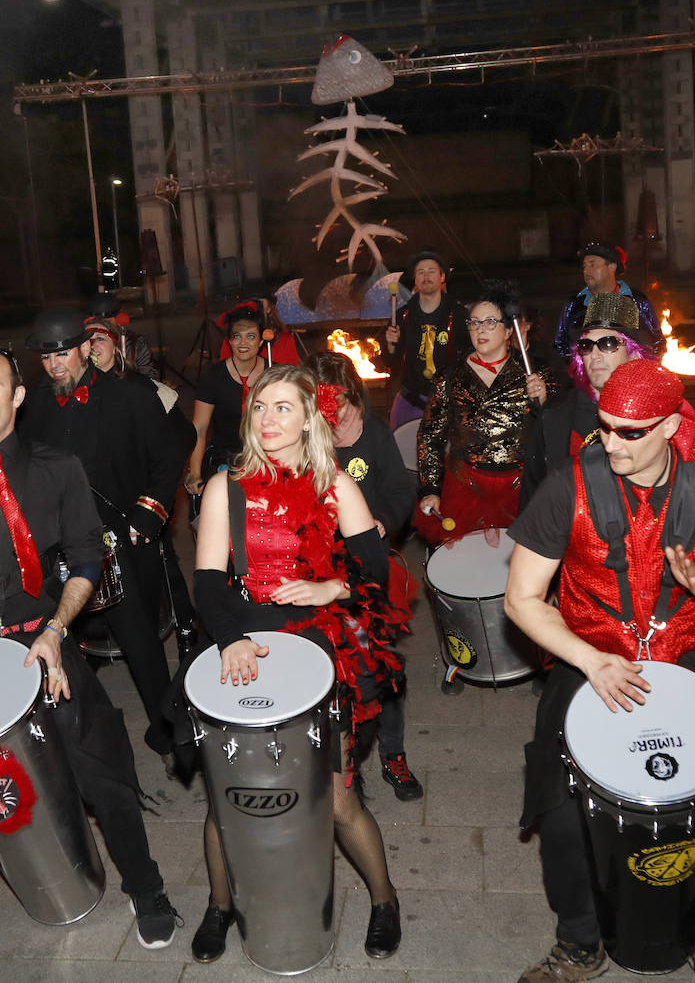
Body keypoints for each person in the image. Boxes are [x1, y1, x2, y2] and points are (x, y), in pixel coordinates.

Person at [505, 359, 695, 983]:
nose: (610, 443)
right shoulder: (567, 487)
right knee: (556, 805)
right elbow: (520, 599)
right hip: (591, 656)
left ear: (669, 426)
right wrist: (588, 659)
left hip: (687, 658)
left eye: (629, 432)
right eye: (604, 427)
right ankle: (578, 944)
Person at [0, 349, 181, 956]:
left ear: (18, 396)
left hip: (42, 642)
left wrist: (55, 629)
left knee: (103, 766)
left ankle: (145, 885)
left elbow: (85, 557)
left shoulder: (58, 468)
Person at [189, 364, 407, 964]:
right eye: (260, 407)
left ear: (309, 417)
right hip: (246, 643)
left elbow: (376, 571)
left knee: (337, 800)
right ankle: (219, 904)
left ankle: (385, 898)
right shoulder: (224, 486)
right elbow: (207, 582)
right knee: (226, 797)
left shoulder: (336, 484)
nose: (269, 419)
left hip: (320, 650)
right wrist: (229, 637)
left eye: (283, 407)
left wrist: (331, 588)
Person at [18, 308, 184, 755]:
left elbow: (169, 455)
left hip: (123, 535)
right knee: (61, 637)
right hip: (62, 541)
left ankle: (171, 732)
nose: (55, 365)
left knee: (140, 641)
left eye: (64, 355)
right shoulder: (33, 403)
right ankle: (72, 733)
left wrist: (149, 512)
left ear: (86, 349)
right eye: (47, 357)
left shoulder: (131, 395)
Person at [308, 350, 421, 800]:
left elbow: (398, 490)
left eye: (342, 405)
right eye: (325, 409)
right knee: (331, 671)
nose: (337, 417)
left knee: (382, 664)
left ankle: (393, 754)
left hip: (368, 569)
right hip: (318, 573)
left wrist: (380, 521)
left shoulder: (373, 431)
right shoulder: (306, 437)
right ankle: (341, 764)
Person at [86, 313, 198, 655]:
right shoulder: (76, 394)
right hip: (100, 502)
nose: (92, 347)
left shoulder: (145, 388)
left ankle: (186, 629)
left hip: (143, 499)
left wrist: (155, 491)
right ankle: (108, 636)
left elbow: (184, 437)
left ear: (117, 346)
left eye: (100, 340)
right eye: (86, 342)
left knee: (162, 562)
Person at [414, 280, 549, 546]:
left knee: (518, 575)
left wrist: (543, 404)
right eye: (474, 322)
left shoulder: (534, 377)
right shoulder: (449, 378)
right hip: (465, 487)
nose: (480, 329)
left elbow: (554, 438)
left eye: (490, 322)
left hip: (519, 491)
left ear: (509, 330)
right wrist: (430, 488)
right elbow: (430, 437)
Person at [521, 292, 662, 508]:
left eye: (607, 344)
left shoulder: (660, 416)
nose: (595, 354)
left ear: (633, 354)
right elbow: (534, 496)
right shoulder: (554, 415)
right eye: (586, 346)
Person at [376, 251, 470, 428]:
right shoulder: (402, 315)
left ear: (442, 277)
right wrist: (389, 345)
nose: (426, 276)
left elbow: (471, 357)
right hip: (411, 398)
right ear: (416, 280)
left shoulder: (459, 315)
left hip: (449, 400)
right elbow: (389, 361)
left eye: (431, 271)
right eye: (420, 272)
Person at [185, 301, 267, 500]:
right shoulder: (213, 376)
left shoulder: (275, 373)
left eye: (251, 337)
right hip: (225, 458)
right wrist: (195, 472)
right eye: (236, 337)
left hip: (267, 458)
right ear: (229, 341)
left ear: (261, 342)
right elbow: (200, 429)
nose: (243, 343)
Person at [552, 242, 662, 363]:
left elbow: (656, 342)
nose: (586, 271)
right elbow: (561, 344)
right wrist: (582, 368)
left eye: (592, 265)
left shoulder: (637, 301)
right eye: (584, 266)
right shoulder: (575, 304)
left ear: (612, 267)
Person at [88, 291, 157, 380]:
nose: (104, 328)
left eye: (108, 322)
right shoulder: (84, 344)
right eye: (98, 324)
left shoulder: (136, 343)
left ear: (119, 319)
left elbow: (150, 377)